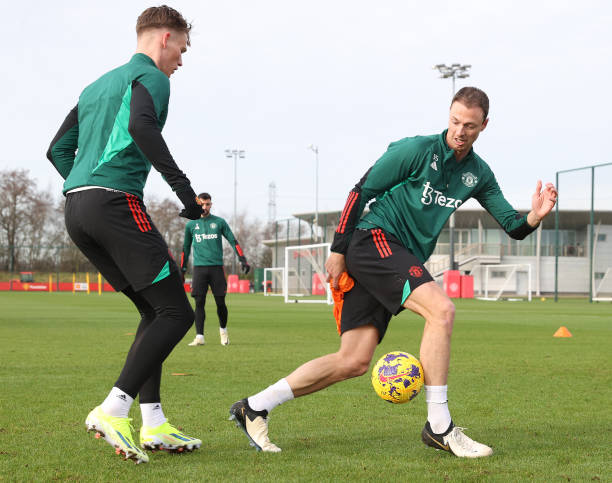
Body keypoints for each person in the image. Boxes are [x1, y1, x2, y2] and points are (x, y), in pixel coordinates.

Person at [229, 87, 558, 457]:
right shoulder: (415, 150)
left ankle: (254, 406)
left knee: (352, 361)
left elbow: (512, 225)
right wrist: (338, 250)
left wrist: (535, 215)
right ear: (447, 115)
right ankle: (439, 426)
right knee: (442, 310)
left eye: (469, 125)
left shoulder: (478, 174)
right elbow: (360, 191)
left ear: (484, 125)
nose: (459, 131)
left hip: (395, 257)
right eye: (454, 121)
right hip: (375, 239)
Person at [46, 6, 204, 464]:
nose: (181, 59)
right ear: (164, 38)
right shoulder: (154, 78)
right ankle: (115, 409)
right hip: (114, 203)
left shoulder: (95, 85)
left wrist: (85, 184)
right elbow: (140, 125)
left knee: (154, 310)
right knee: (176, 312)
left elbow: (57, 149)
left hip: (78, 208)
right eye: (182, 48)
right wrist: (185, 192)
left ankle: (153, 423)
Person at [181, 193, 250, 346]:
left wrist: (242, 258)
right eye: (203, 204)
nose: (205, 207)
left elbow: (233, 240)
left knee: (220, 302)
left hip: (216, 268)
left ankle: (223, 331)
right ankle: (199, 337)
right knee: (199, 302)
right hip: (199, 269)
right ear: (198, 204)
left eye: (208, 204)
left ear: (211, 205)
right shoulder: (191, 225)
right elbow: (185, 248)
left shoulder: (219, 222)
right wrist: (182, 268)